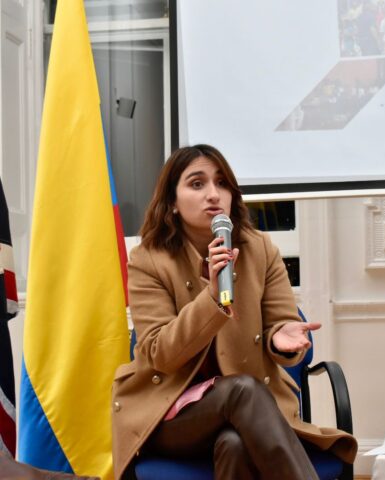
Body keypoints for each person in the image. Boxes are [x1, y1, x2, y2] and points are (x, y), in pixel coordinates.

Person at [111, 145, 357, 479]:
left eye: (222, 183)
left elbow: (281, 324)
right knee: (242, 390)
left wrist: (280, 338)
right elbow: (161, 354)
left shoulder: (260, 249)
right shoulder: (148, 260)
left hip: (248, 413)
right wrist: (213, 297)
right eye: (197, 184)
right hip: (170, 414)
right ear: (172, 201)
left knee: (234, 444)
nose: (213, 194)